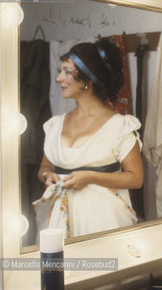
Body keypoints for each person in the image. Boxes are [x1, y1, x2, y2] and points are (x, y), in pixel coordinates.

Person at [35, 40, 143, 238]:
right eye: (60, 71)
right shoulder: (54, 125)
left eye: (67, 71)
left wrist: (90, 177)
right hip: (56, 220)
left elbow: (136, 178)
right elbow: (45, 167)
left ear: (88, 79)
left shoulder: (120, 126)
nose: (59, 78)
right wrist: (46, 176)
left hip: (102, 219)